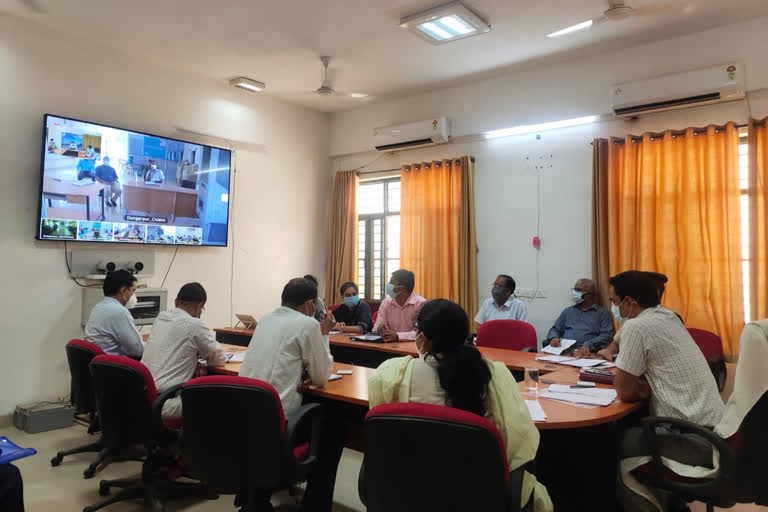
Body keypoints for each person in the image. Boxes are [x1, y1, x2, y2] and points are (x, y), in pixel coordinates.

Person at [368, 299, 553, 512]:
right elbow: (520, 441)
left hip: (408, 490)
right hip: (478, 496)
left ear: (423, 339)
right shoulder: (494, 375)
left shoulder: (391, 374)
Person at [610, 271, 725, 512]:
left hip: (694, 438)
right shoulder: (671, 317)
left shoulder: (636, 326)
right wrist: (641, 386)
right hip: (718, 435)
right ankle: (673, 505)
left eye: (614, 301)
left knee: (611, 446)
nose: (614, 308)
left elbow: (623, 390)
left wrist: (640, 389)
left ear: (629, 301)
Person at [239, 278, 336, 512]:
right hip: (277, 421)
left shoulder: (265, 320)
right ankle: (315, 506)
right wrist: (323, 333)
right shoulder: (308, 324)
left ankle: (255, 496)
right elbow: (322, 375)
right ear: (311, 304)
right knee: (333, 430)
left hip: (244, 414)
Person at [141, 283, 227, 420]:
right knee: (219, 396)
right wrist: (202, 362)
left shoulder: (161, 318)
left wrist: (196, 360)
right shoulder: (195, 325)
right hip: (167, 401)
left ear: (176, 302)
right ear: (199, 305)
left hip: (143, 396)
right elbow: (218, 358)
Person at [597, 271, 678, 362]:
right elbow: (616, 343)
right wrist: (607, 352)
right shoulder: (634, 319)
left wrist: (613, 358)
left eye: (614, 300)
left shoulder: (669, 319)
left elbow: (633, 366)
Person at [545, 278, 613, 357]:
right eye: (574, 290)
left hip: (588, 352)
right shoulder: (568, 311)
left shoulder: (602, 313)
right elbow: (555, 329)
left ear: (589, 294)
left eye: (578, 290)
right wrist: (554, 337)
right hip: (564, 351)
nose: (574, 293)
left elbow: (606, 336)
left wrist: (588, 344)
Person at [84, 269, 143, 358]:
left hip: (100, 365)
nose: (133, 295)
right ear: (123, 290)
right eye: (133, 290)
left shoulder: (99, 306)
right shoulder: (119, 311)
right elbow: (138, 350)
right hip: (114, 366)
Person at [373, 269, 426, 342]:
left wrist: (397, 336)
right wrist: (380, 330)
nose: (388, 285)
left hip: (412, 347)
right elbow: (375, 329)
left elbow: (420, 333)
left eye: (391, 282)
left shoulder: (420, 303)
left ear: (403, 288)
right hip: (389, 346)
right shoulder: (386, 302)